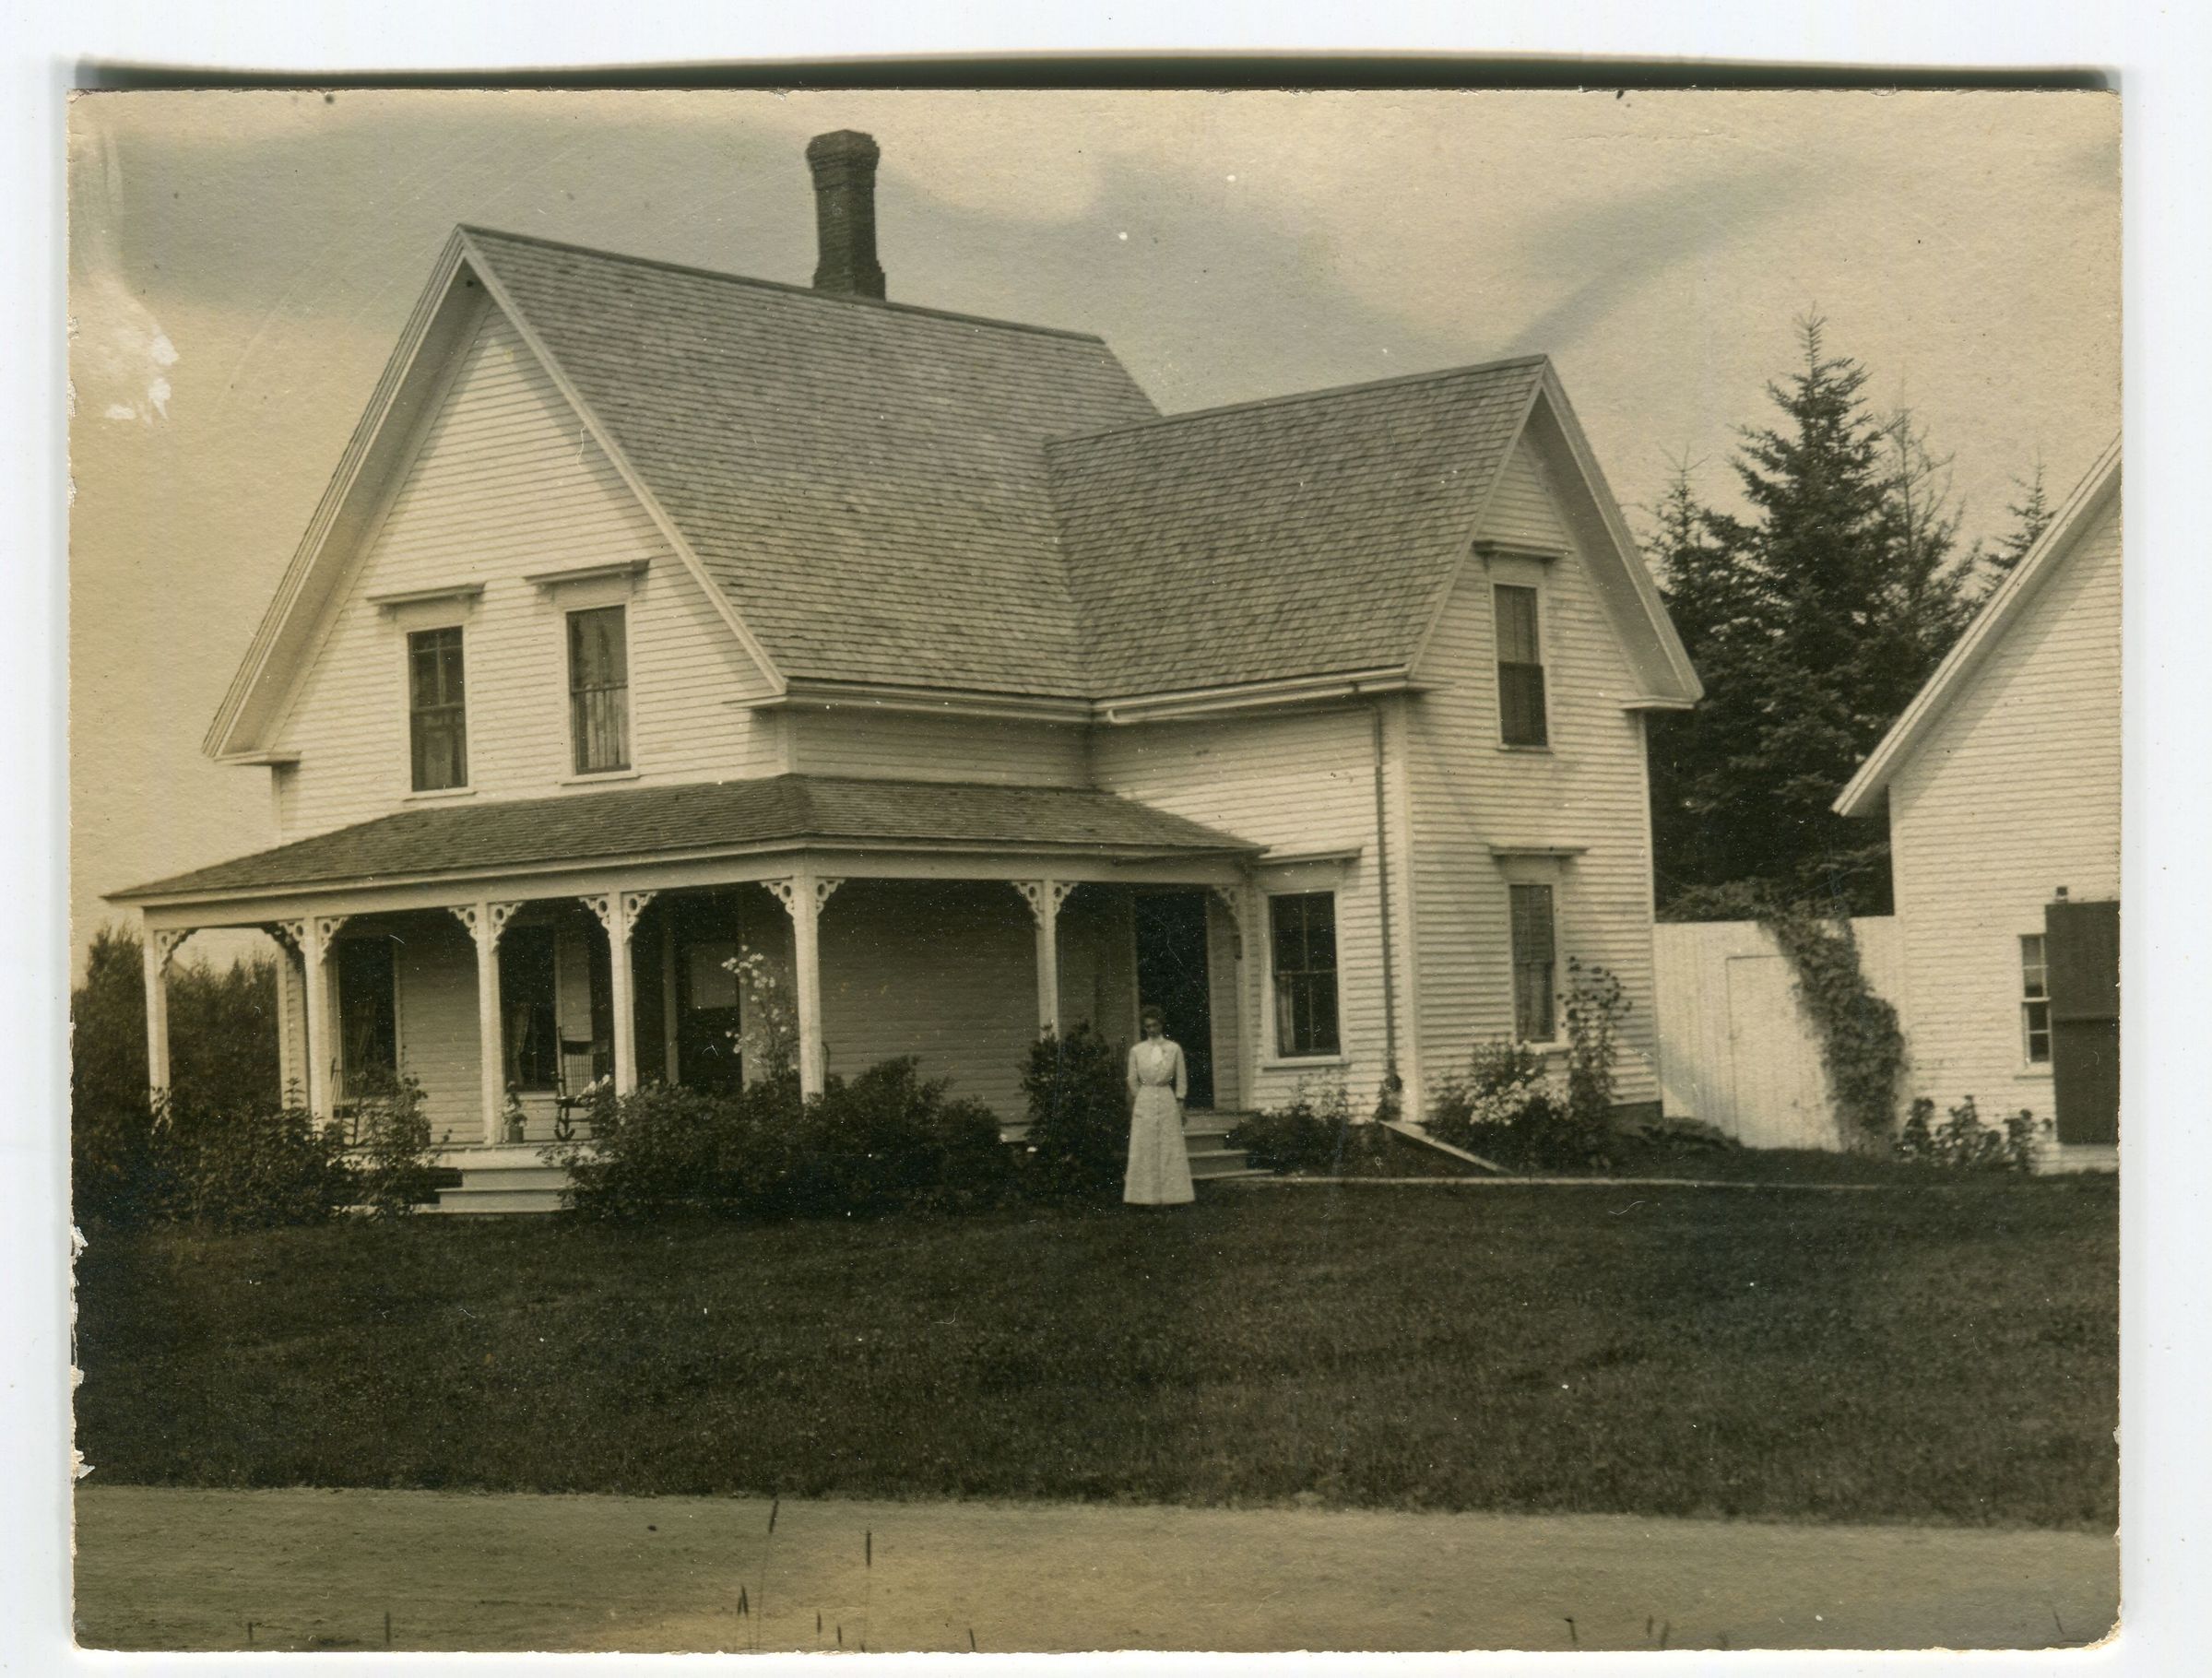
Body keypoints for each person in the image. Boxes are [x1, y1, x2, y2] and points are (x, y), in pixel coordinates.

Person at [1124, 1005, 1195, 1206]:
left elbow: (1181, 1078)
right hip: (1145, 1099)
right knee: (1144, 1146)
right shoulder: (1137, 1051)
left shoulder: (1173, 1049)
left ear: (1161, 1025)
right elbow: (1132, 1079)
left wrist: (1180, 1102)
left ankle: (1174, 1196)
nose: (1152, 1029)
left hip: (1166, 1097)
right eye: (1148, 1026)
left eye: (1155, 1025)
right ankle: (1144, 1197)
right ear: (1144, 1028)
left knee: (1170, 1146)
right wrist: (1141, 1097)